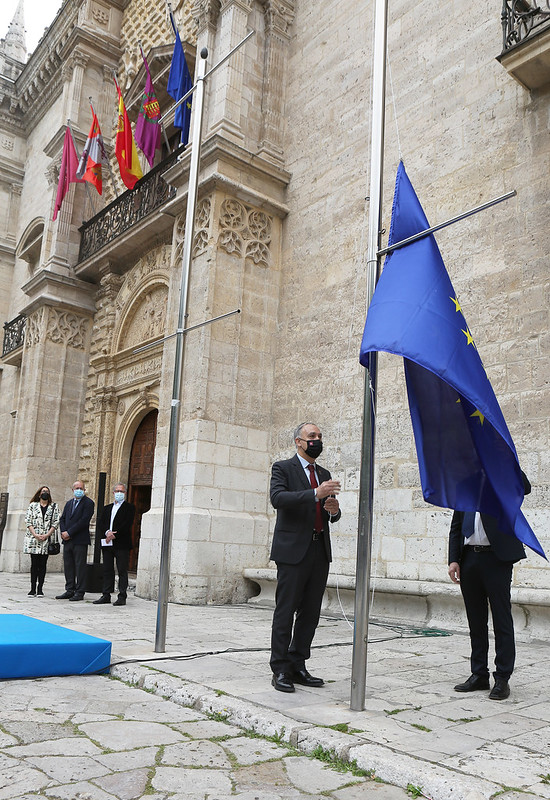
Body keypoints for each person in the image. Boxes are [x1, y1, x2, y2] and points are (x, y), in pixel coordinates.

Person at [269, 422, 341, 693]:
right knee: (286, 611)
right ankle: (280, 669)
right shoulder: (282, 468)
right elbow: (278, 498)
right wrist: (314, 494)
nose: (317, 440)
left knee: (310, 613)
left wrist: (333, 509)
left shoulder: (324, 473)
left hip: (319, 550)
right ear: (298, 442)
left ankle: (298, 664)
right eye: (312, 436)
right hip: (292, 552)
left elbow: (331, 512)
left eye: (320, 436)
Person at [448, 472, 531, 701]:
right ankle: (479, 674)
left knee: (502, 619)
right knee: (476, 620)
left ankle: (502, 678)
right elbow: (456, 525)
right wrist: (453, 559)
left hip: (496, 559)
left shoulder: (501, 479)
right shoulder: (464, 484)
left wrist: (506, 462)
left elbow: (524, 487)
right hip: (469, 559)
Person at [93, 483, 136, 607]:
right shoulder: (107, 508)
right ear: (113, 493)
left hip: (121, 543)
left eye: (121, 491)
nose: (119, 493)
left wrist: (114, 534)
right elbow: (101, 523)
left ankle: (122, 596)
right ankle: (106, 594)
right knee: (107, 569)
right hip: (107, 542)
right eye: (117, 491)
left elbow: (127, 524)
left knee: (122, 570)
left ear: (125, 493)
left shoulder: (129, 508)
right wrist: (107, 532)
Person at [56, 479, 95, 602]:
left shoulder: (88, 503)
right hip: (67, 540)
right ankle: (70, 589)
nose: (79, 490)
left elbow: (84, 521)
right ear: (73, 490)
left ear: (84, 490)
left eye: (81, 488)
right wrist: (63, 532)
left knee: (80, 566)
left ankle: (80, 591)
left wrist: (69, 532)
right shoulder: (69, 503)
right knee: (68, 566)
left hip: (79, 540)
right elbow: (62, 519)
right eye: (76, 488)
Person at [24, 486, 60, 597]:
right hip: (34, 538)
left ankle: (40, 588)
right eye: (43, 491)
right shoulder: (32, 506)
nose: (45, 493)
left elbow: (56, 522)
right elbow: (28, 520)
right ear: (39, 494)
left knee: (43, 564)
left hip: (47, 539)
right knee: (34, 564)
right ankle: (32, 588)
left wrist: (47, 535)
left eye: (47, 492)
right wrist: (35, 534)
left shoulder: (54, 507)